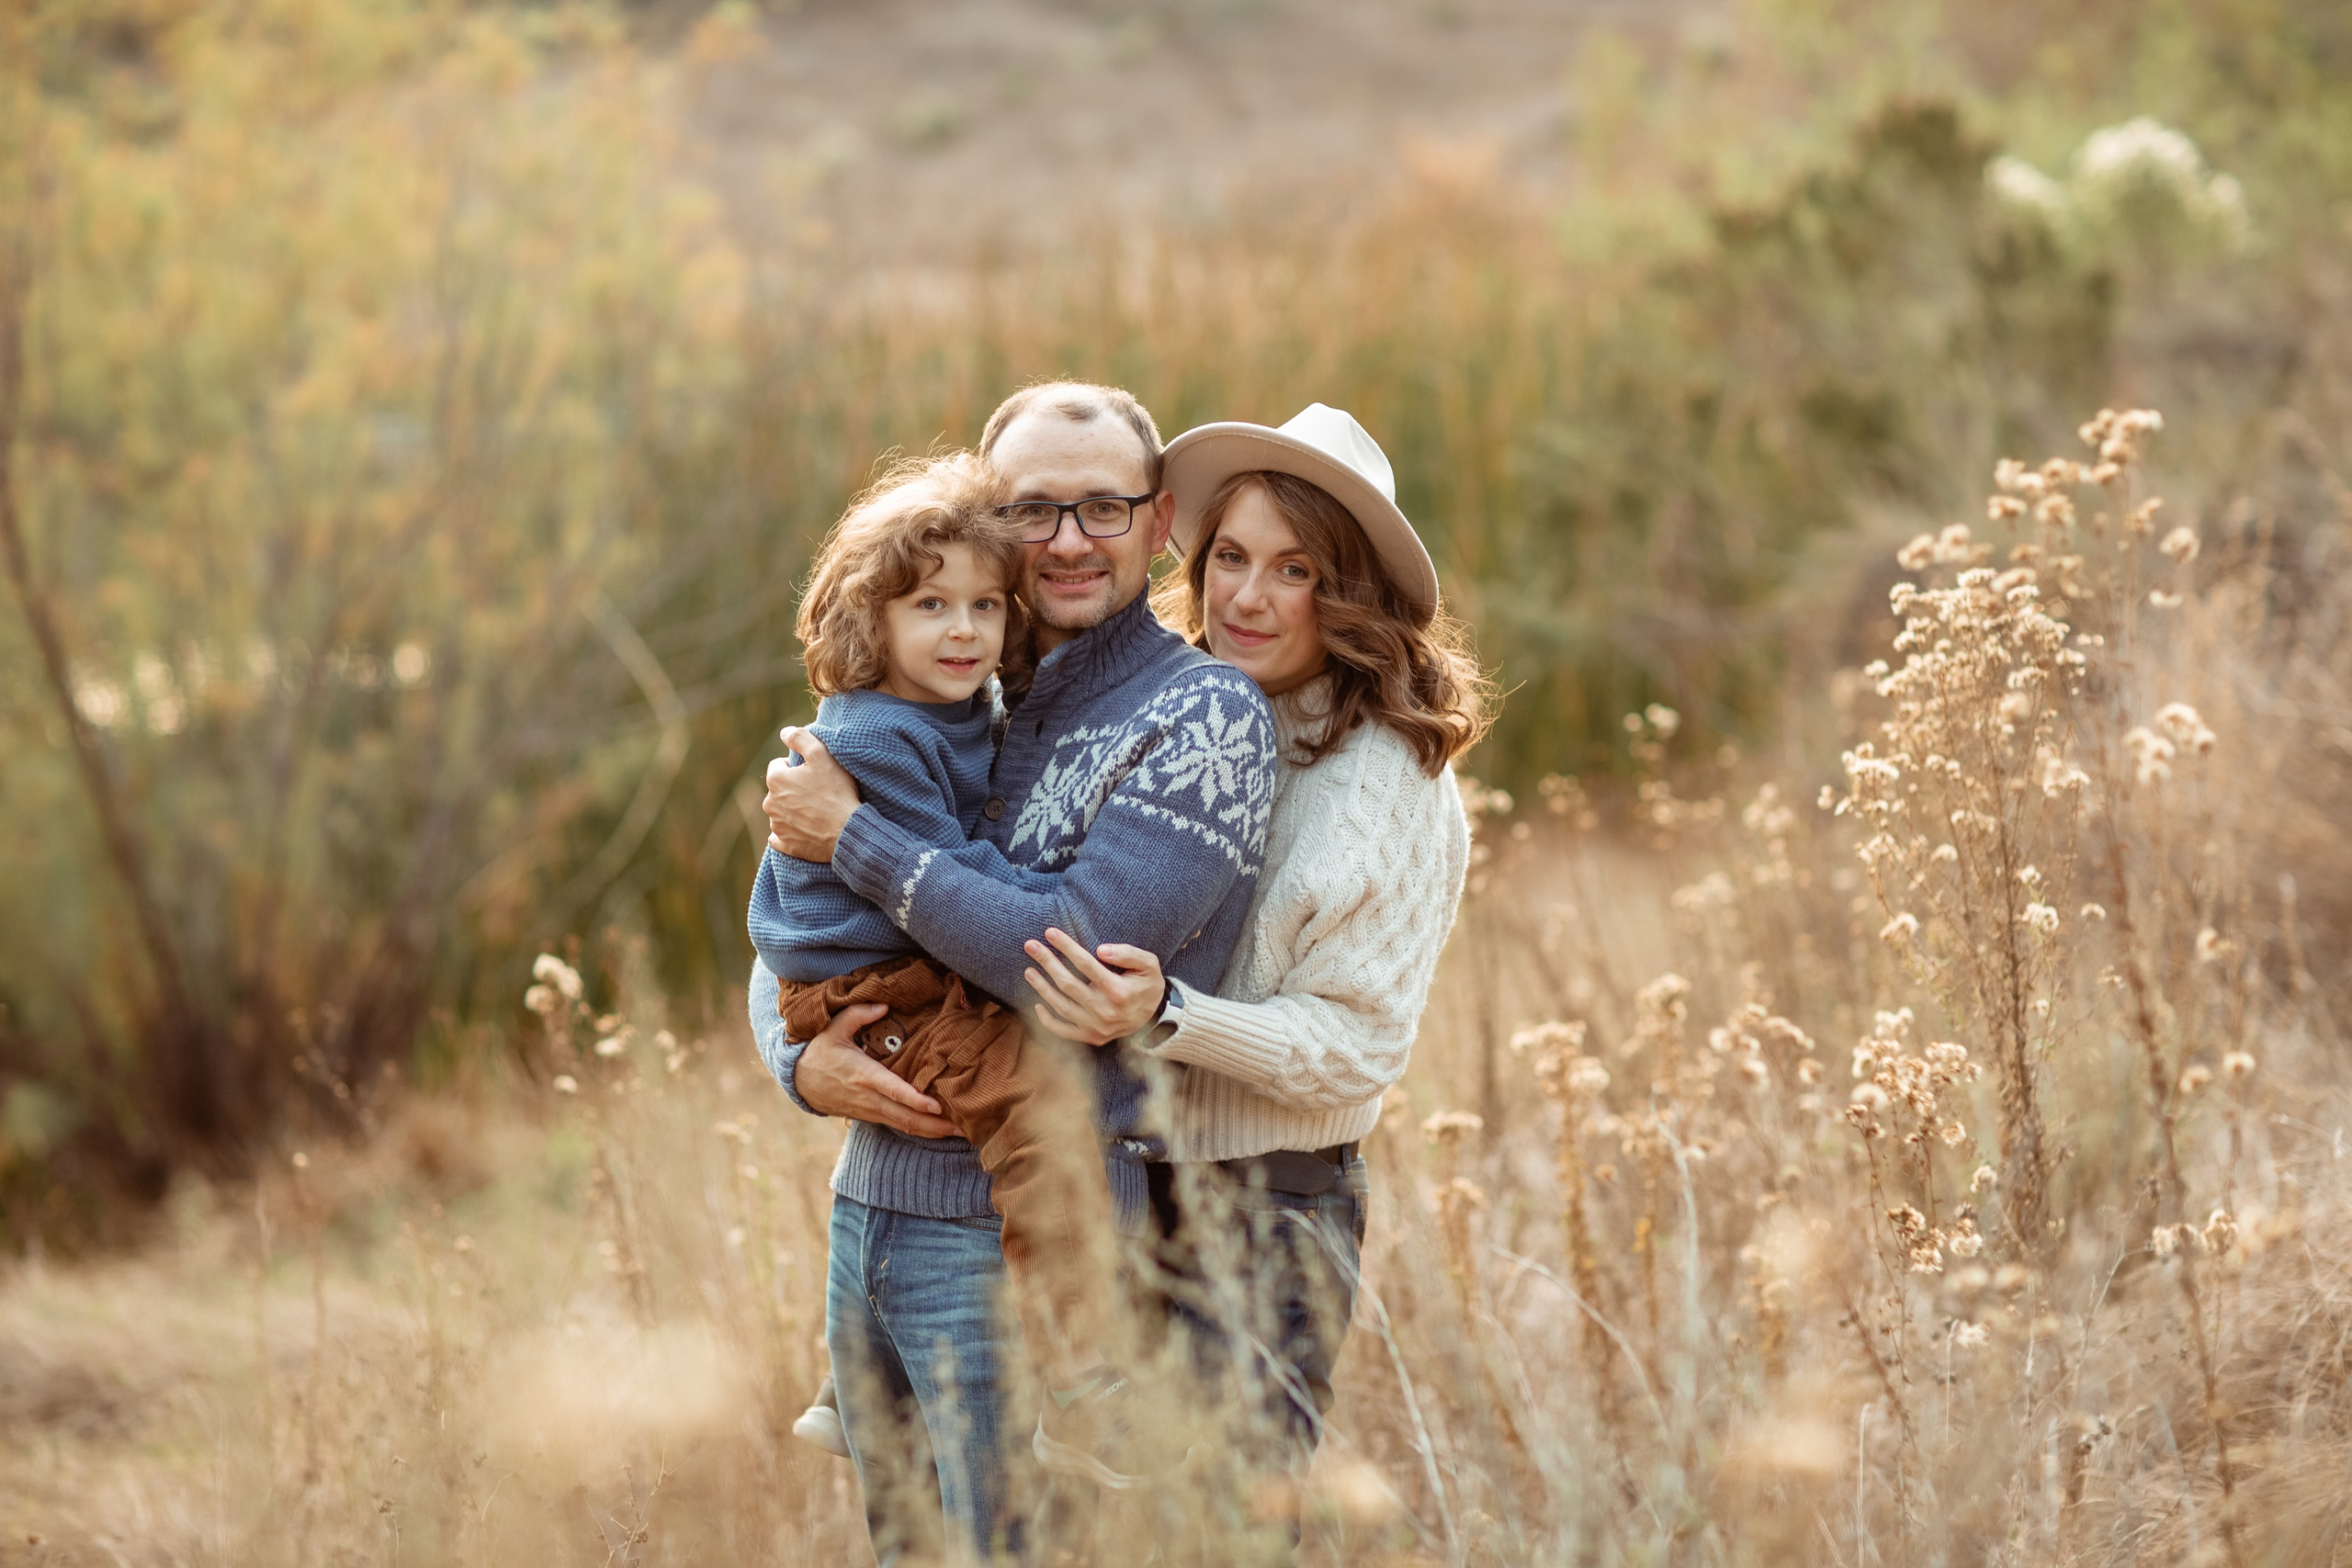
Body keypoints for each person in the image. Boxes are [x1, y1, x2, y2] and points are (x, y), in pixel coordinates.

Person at [751, 382, 1279, 1562]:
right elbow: (798, 925)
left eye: (1103, 507)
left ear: (1159, 524)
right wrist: (796, 1060)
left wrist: (857, 837)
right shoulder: (952, 690)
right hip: (867, 1213)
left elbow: (1067, 952)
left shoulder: (1204, 718)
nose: (1069, 541)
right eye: (1033, 510)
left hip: (1010, 1250)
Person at [1010, 403, 1488, 1536]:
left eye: (1294, 570)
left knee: (1225, 1531)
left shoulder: (1391, 780)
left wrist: (1170, 1014)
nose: (1245, 597)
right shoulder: (1160, 712)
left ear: (1350, 594)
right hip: (1114, 1184)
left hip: (1266, 1211)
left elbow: (1357, 1044)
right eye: (1230, 557)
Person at [742, 452, 1125, 1465]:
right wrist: (1039, 886)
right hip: (880, 981)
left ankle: (847, 1377)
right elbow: (931, 879)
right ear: (873, 621)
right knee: (1035, 1120)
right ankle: (1083, 1365)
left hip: (901, 970)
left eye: (986, 607)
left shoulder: (963, 713)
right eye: (929, 605)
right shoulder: (873, 740)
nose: (964, 630)